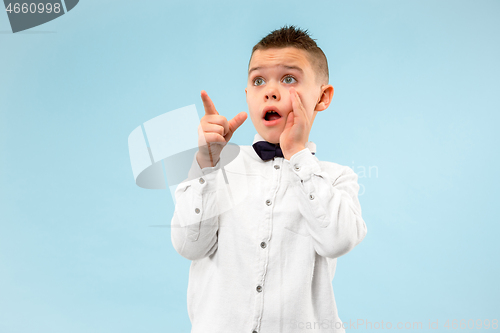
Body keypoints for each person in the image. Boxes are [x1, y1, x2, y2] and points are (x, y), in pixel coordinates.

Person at [171, 25, 367, 333]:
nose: (270, 91)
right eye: (258, 80)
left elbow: (337, 240)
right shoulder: (216, 170)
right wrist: (207, 166)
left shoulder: (337, 178)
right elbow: (188, 246)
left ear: (322, 97)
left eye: (289, 79)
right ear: (248, 95)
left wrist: (298, 155)